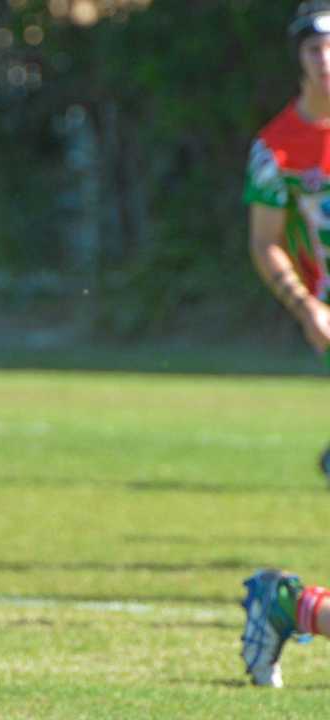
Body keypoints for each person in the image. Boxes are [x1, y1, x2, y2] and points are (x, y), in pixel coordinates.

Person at [241, 0, 330, 688]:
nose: (326, 60)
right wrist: (306, 305)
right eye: (314, 48)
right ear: (299, 57)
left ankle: (290, 605)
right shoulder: (276, 149)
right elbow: (266, 247)